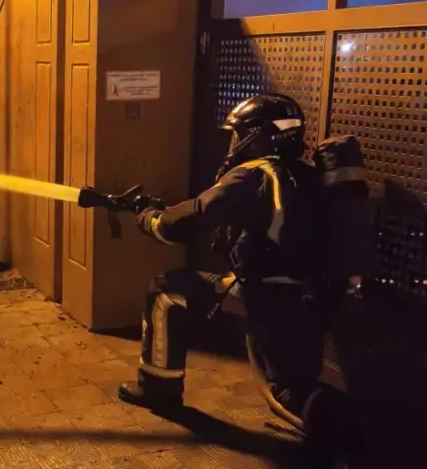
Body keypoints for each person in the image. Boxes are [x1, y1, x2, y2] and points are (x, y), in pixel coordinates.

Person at [118, 92, 360, 456]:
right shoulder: (311, 177)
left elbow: (183, 224)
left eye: (239, 134)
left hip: (265, 298)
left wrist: (147, 216)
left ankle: (157, 391)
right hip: (312, 299)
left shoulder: (254, 175)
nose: (234, 142)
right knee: (291, 383)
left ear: (258, 135)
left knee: (166, 290)